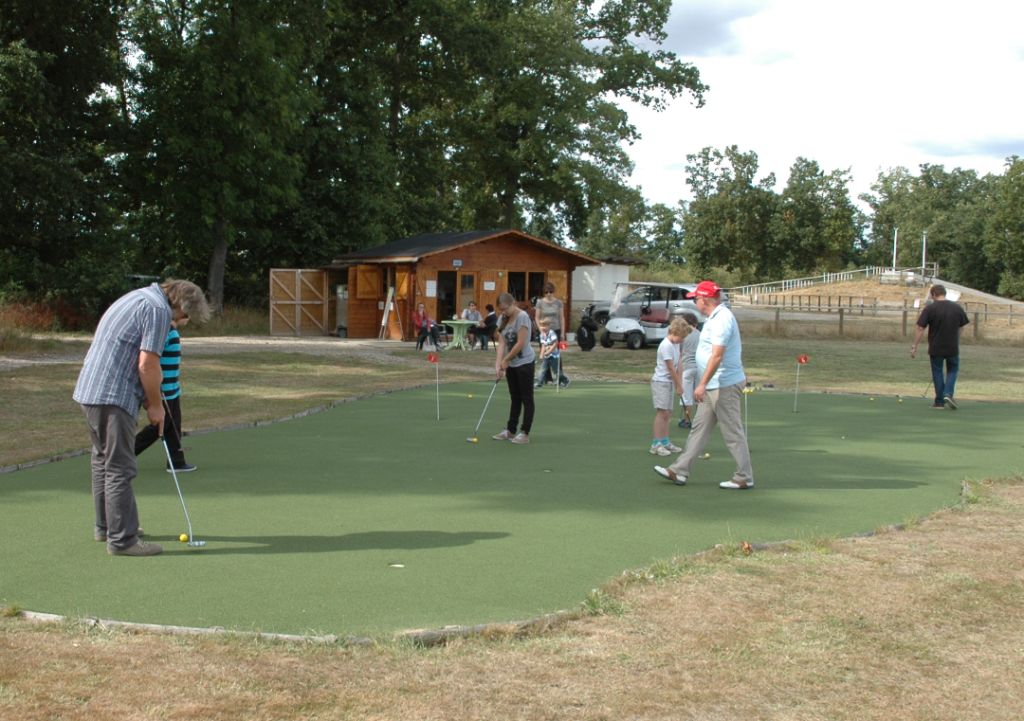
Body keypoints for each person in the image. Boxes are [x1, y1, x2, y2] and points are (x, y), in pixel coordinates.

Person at [73, 279, 210, 556]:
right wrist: (157, 406)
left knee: (102, 460)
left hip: (91, 390)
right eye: (186, 318)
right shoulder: (159, 311)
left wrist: (150, 398)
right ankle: (123, 540)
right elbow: (148, 364)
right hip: (113, 394)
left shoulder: (139, 296)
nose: (183, 323)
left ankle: (107, 527)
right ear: (180, 308)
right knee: (120, 467)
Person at [653, 280, 754, 490]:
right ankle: (679, 471)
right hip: (714, 385)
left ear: (704, 299)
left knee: (732, 432)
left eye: (696, 299)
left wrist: (702, 383)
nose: (695, 303)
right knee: (698, 429)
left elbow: (717, 356)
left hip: (723, 384)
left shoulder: (722, 319)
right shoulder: (713, 318)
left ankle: (744, 476)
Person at [134, 317, 195, 472]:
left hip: (173, 388)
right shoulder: (165, 331)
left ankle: (177, 461)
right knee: (159, 427)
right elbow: (150, 360)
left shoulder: (172, 330)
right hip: (162, 390)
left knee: (174, 424)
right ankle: (124, 455)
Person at [911, 284, 970, 409]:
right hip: (952, 346)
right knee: (952, 370)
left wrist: (914, 346)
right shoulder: (956, 308)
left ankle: (939, 402)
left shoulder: (930, 309)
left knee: (937, 372)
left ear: (933, 295)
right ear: (945, 293)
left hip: (936, 346)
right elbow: (961, 327)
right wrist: (956, 339)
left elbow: (920, 328)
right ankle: (948, 393)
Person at [492, 292, 536, 444]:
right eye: (501, 310)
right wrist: (498, 365)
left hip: (525, 362)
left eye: (505, 309)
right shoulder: (503, 318)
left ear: (513, 303)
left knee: (526, 398)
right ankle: (510, 430)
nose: (503, 312)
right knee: (515, 397)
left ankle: (525, 432)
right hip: (512, 364)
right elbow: (502, 343)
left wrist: (506, 360)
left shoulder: (523, 317)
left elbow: (520, 343)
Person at [649, 318, 690, 456]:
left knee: (668, 413)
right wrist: (678, 385)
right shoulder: (665, 345)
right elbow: (671, 368)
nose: (682, 340)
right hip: (661, 382)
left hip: (670, 382)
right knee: (662, 413)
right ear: (674, 332)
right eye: (681, 337)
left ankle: (665, 441)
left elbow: (679, 363)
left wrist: (680, 383)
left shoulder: (676, 344)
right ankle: (656, 444)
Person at [678, 312, 701, 429]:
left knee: (687, 396)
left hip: (687, 367)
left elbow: (680, 354)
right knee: (698, 395)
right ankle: (700, 420)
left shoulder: (683, 335)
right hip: (699, 367)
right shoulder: (700, 334)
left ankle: (687, 420)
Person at [534, 318, 570, 389]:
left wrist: (549, 352)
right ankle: (540, 383)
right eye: (541, 326)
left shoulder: (551, 333)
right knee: (542, 369)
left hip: (554, 355)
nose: (543, 328)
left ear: (549, 326)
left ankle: (565, 380)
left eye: (545, 326)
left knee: (556, 371)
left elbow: (555, 343)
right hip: (546, 356)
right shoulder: (542, 335)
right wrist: (541, 354)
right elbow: (543, 345)